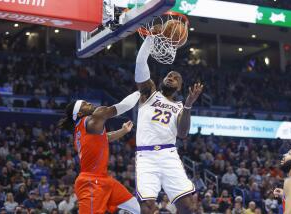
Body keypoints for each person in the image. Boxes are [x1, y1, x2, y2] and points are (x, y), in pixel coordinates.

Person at [134, 37, 203, 213]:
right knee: (147, 207)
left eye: (176, 78)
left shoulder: (180, 106)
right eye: (169, 75)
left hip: (168, 154)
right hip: (146, 155)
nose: (171, 78)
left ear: (179, 87)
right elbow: (141, 61)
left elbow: (183, 134)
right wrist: (150, 37)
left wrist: (188, 104)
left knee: (188, 207)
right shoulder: (149, 93)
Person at [58, 92, 141, 214]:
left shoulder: (80, 131)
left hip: (104, 179)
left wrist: (123, 131)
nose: (89, 103)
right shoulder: (93, 118)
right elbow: (123, 105)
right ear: (80, 114)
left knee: (134, 207)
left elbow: (104, 138)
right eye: (84, 104)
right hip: (90, 182)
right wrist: (140, 91)